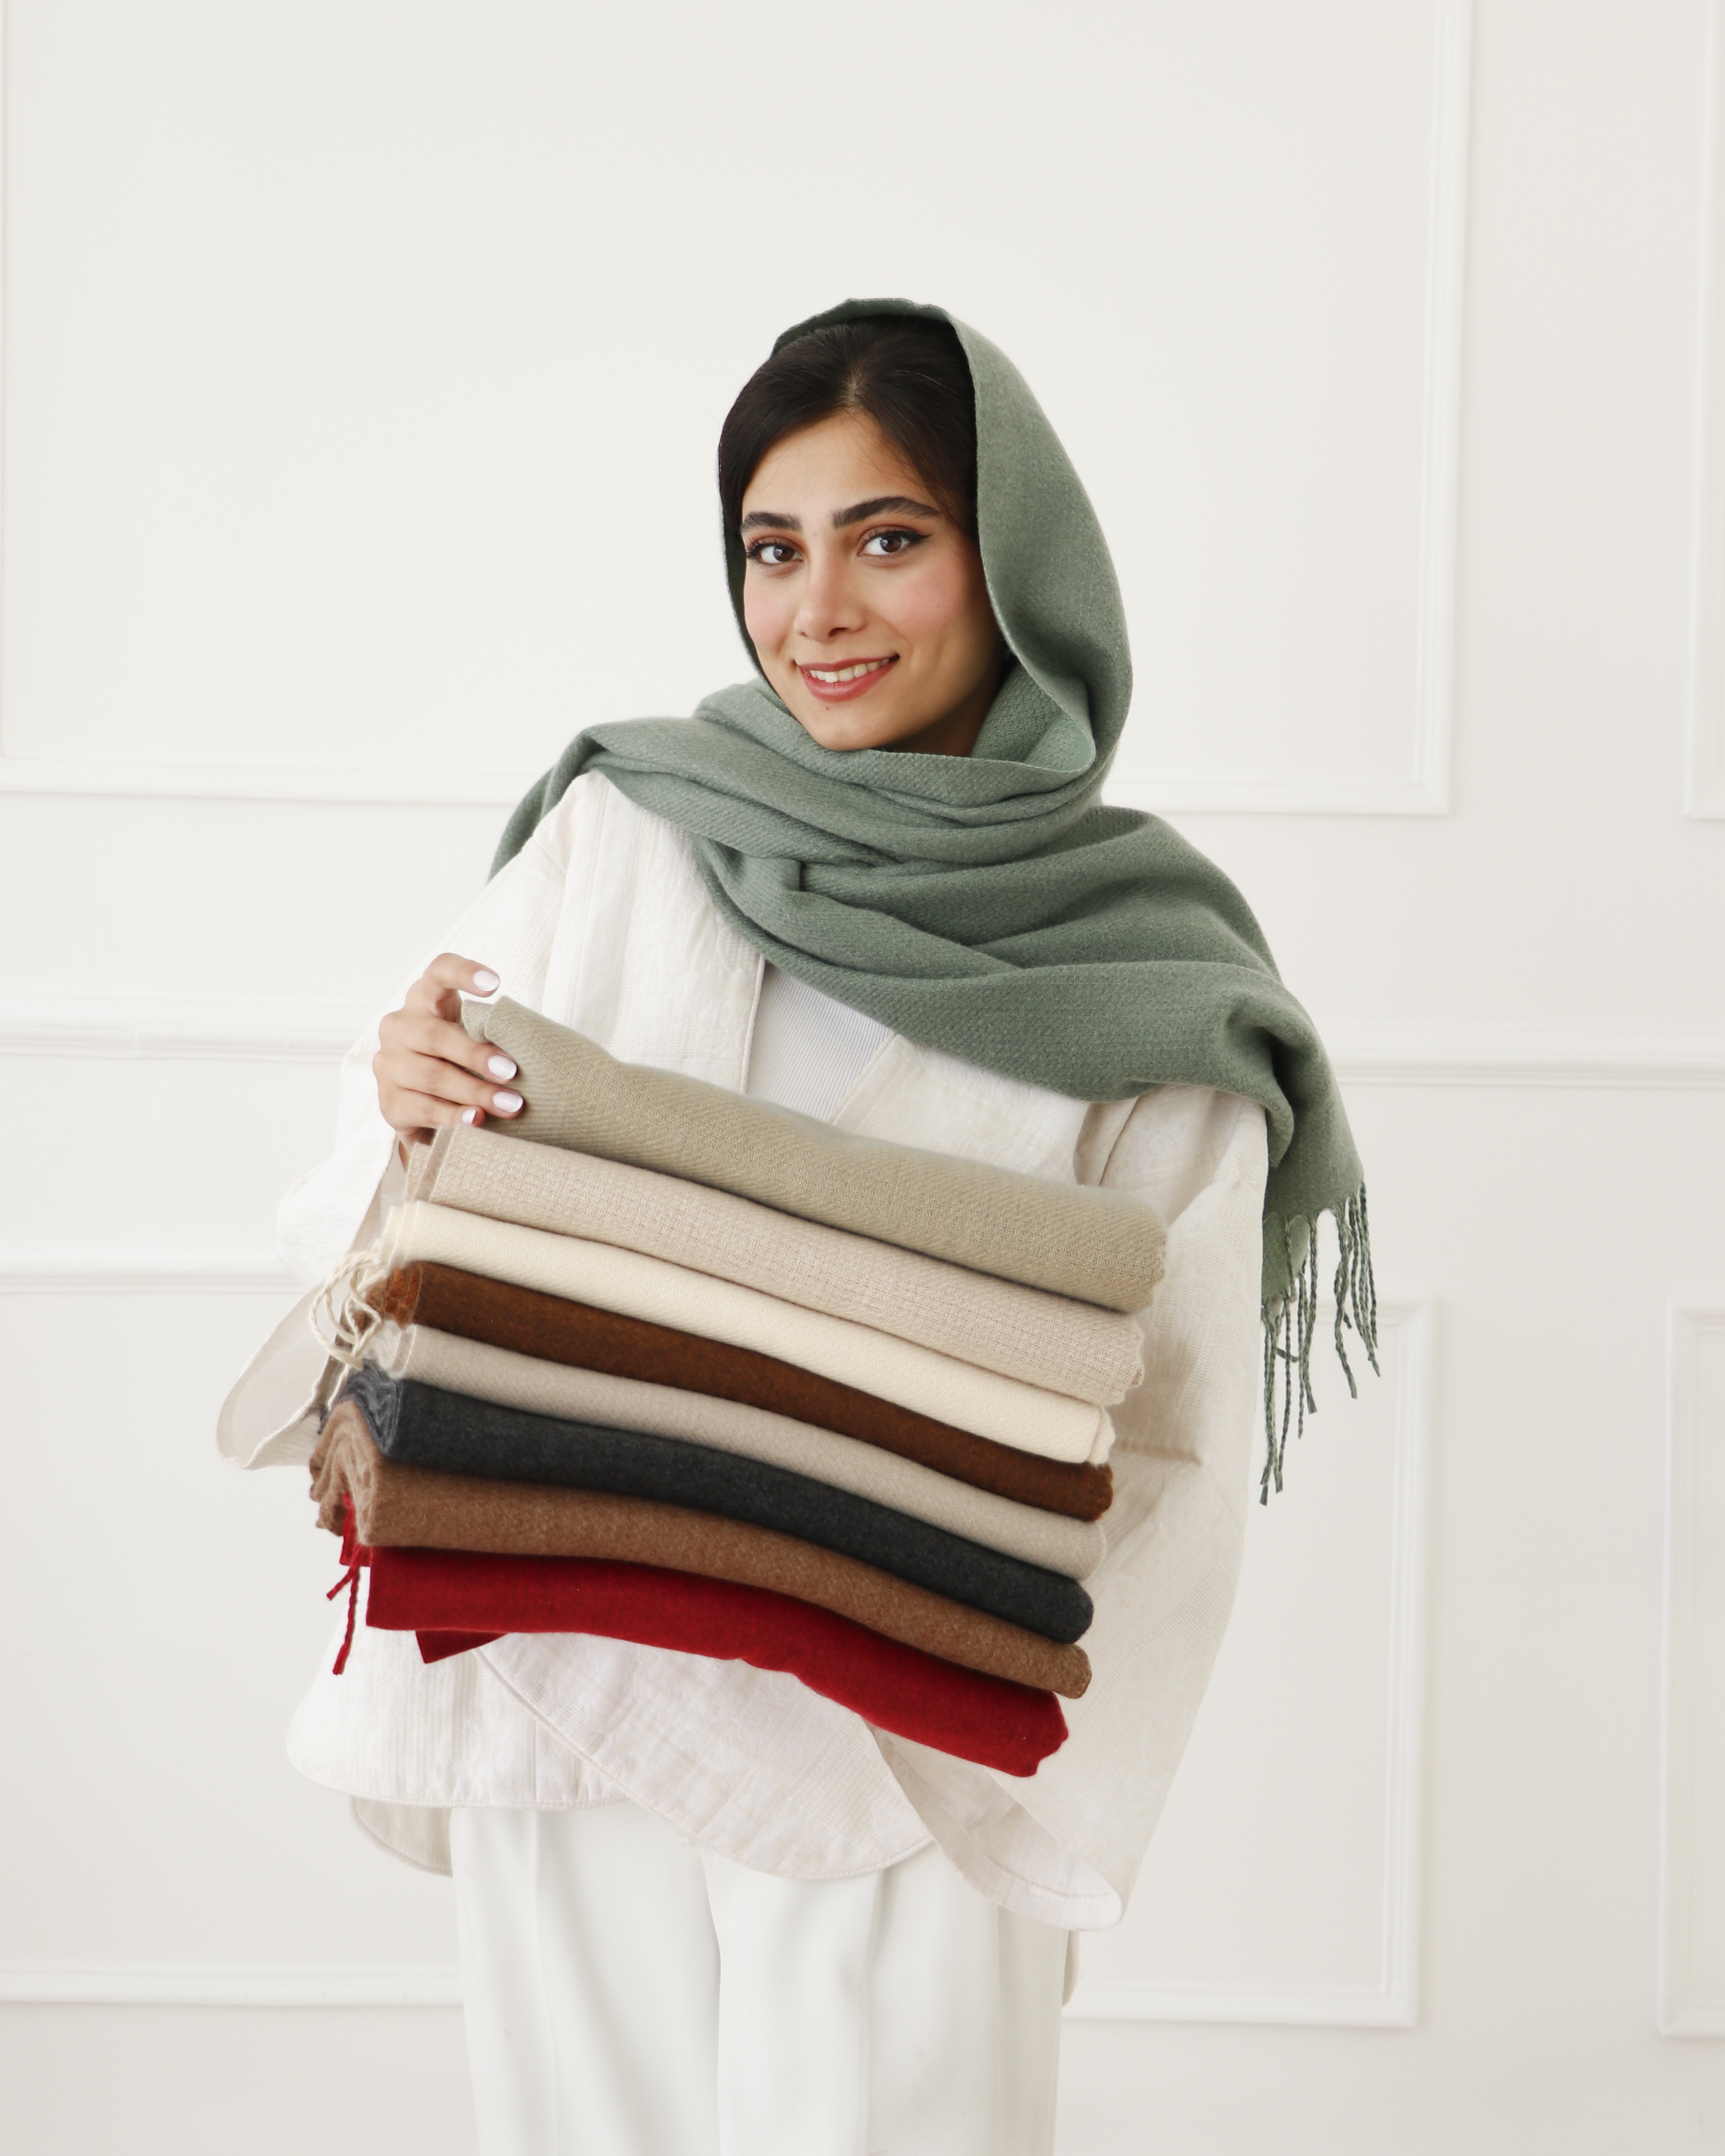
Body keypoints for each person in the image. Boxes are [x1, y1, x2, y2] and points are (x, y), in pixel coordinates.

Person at [225, 299, 1373, 2156]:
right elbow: (379, 1210)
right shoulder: (629, 832)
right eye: (773, 548)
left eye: (887, 539)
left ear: (1014, 567)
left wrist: (997, 1786)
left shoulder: (1149, 969)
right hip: (558, 1669)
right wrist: (401, 1091)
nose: (817, 609)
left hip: (899, 1750)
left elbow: (1170, 1429)